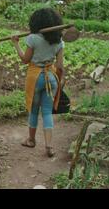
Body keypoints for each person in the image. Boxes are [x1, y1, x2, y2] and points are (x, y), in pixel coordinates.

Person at [10, 8, 65, 158]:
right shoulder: (59, 41)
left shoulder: (33, 38)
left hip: (35, 78)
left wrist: (16, 44)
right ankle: (49, 145)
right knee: (47, 112)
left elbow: (25, 59)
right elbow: (60, 66)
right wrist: (59, 81)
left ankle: (31, 140)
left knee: (34, 110)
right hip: (51, 78)